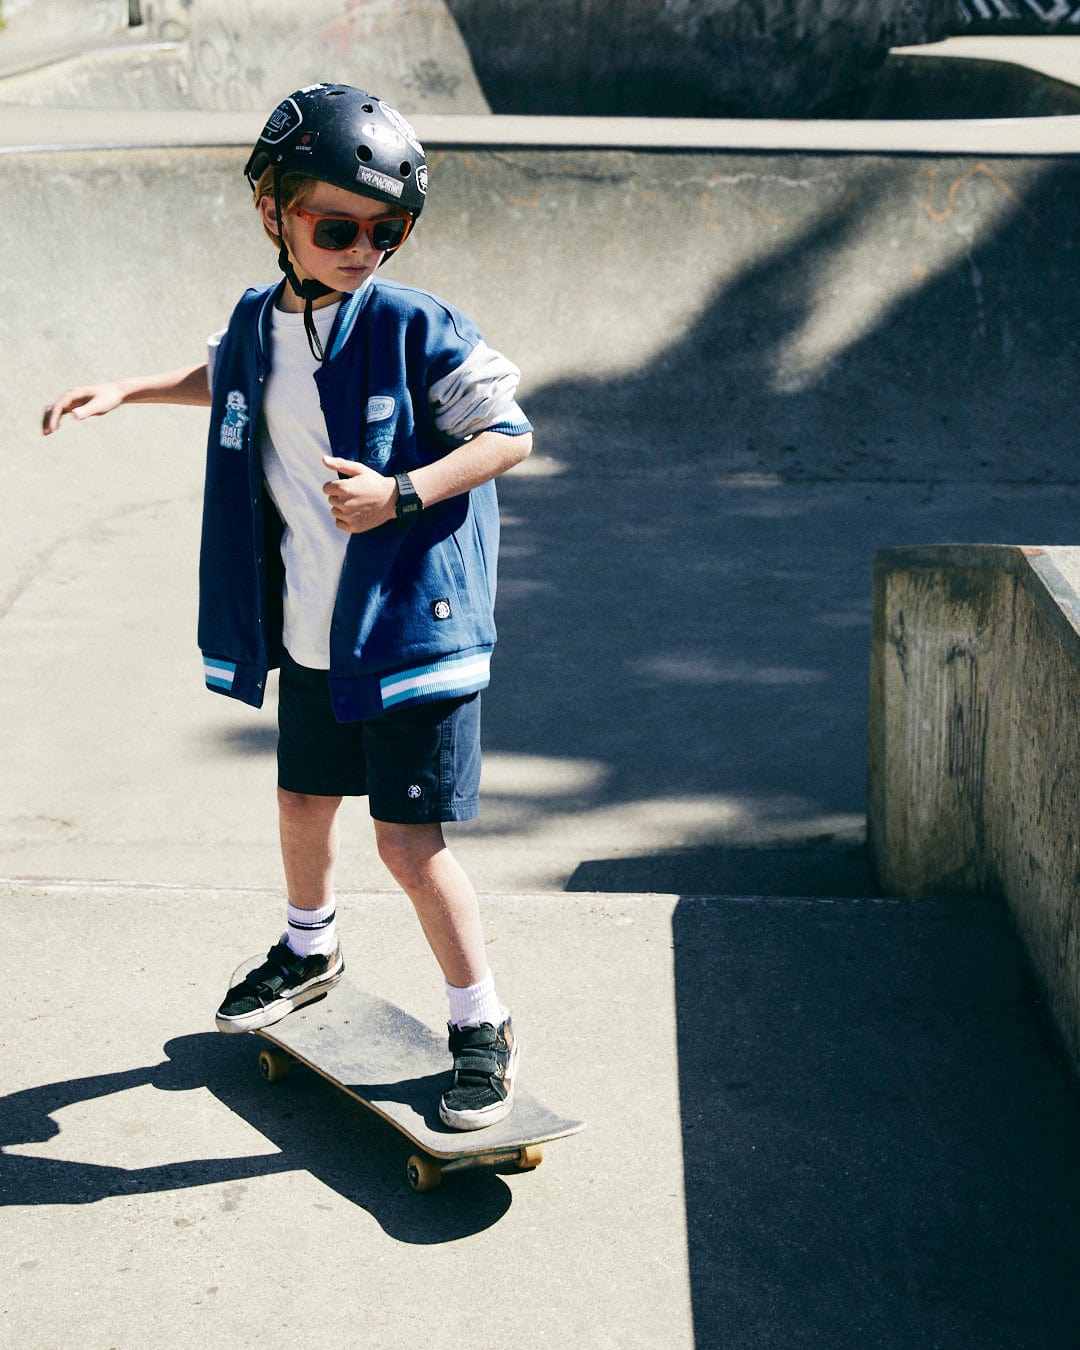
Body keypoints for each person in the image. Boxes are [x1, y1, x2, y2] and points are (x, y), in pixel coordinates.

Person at [41, 84, 533, 1132]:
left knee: (409, 845)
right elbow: (229, 375)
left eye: (386, 229)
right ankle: (310, 949)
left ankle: (480, 1025)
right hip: (318, 636)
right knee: (303, 804)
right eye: (339, 225)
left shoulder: (411, 323)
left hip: (411, 633)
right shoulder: (263, 323)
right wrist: (125, 389)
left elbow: (507, 435)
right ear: (275, 215)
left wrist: (403, 493)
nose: (366, 247)